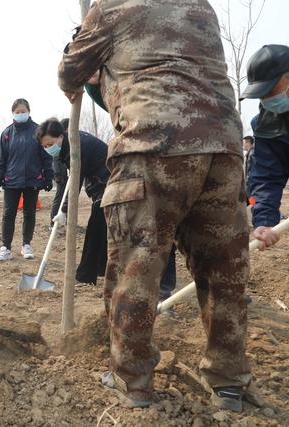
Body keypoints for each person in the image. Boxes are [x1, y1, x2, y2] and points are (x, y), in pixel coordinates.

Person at [59, 0, 252, 411]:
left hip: (153, 146)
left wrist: (91, 73)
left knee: (137, 266)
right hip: (223, 148)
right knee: (224, 273)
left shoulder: (111, 8)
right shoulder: (202, 6)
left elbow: (68, 72)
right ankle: (229, 381)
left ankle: (132, 381)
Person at [38, 118, 109, 284]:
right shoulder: (67, 146)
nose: (49, 148)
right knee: (101, 227)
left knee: (96, 227)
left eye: (51, 143)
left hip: (110, 180)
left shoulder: (75, 147)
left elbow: (75, 183)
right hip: (100, 183)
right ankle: (101, 269)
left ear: (60, 136)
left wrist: (63, 211)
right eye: (45, 146)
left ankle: (86, 276)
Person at [241, 44, 289, 250]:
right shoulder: (266, 125)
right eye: (261, 94)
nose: (266, 99)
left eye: (270, 90)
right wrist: (264, 219)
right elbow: (267, 176)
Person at [0, 99, 53, 261]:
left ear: (29, 111)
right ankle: (5, 247)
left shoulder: (38, 131)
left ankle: (26, 245)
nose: (20, 114)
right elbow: (1, 159)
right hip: (11, 180)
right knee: (8, 214)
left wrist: (48, 176)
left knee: (29, 213)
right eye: (17, 112)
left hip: (33, 180)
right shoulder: (6, 133)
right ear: (13, 113)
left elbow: (46, 156)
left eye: (23, 111)